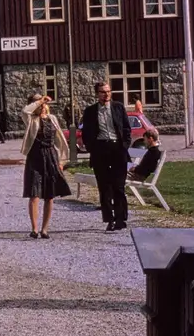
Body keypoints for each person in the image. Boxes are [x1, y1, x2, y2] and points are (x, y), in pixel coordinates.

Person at [80, 81, 131, 231]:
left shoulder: (118, 107)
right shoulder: (90, 111)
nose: (106, 94)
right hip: (100, 150)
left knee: (119, 187)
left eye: (108, 91)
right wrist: (92, 148)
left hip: (117, 149)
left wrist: (124, 145)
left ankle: (121, 218)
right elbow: (86, 133)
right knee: (104, 187)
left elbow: (126, 128)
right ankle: (110, 219)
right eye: (103, 92)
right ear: (97, 94)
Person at [20, 92, 71, 240]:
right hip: (35, 157)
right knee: (34, 193)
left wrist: (61, 161)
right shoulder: (31, 119)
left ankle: (45, 229)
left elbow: (60, 140)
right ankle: (34, 228)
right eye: (39, 103)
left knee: (49, 195)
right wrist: (40, 100)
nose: (42, 105)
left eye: (44, 103)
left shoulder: (52, 118)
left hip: (50, 156)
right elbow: (25, 111)